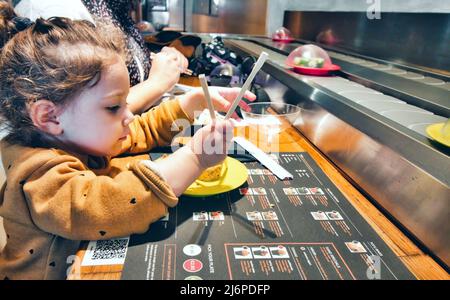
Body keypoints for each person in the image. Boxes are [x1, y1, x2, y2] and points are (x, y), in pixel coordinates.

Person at [0, 3, 255, 279]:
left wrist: (189, 103)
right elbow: (109, 207)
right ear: (49, 116)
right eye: (113, 107)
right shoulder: (36, 174)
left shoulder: (80, 138)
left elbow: (141, 130)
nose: (129, 116)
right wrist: (195, 157)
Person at [14, 0, 189, 114]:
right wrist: (157, 82)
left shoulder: (112, 8)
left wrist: (163, 62)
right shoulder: (52, 8)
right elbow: (81, 117)